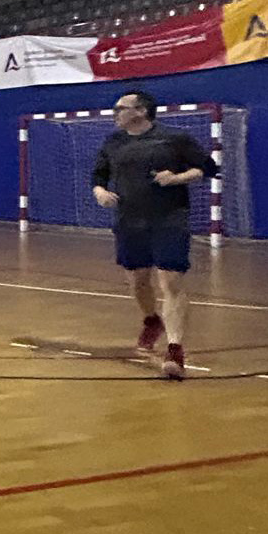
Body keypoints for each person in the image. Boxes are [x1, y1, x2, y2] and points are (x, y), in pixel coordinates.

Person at [91, 89, 217, 380]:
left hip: (169, 218)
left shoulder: (175, 138)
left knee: (170, 280)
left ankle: (174, 349)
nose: (116, 113)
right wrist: (100, 192)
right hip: (129, 221)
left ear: (141, 111)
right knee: (138, 282)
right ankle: (151, 321)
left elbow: (206, 168)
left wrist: (177, 178)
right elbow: (98, 176)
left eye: (121, 108)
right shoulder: (113, 142)